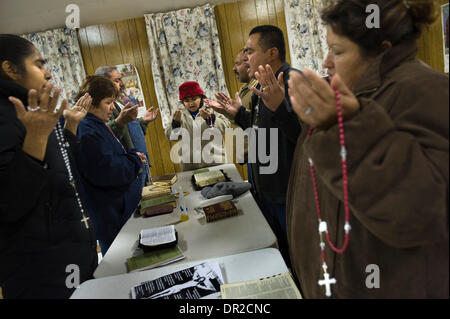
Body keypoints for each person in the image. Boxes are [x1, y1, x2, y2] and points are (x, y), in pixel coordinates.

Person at [287, 0, 449, 298]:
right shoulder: (346, 96)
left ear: (381, 51)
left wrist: (346, 128)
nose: (326, 62)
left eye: (337, 51)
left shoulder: (429, 92)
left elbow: (419, 212)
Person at [0, 34, 98, 298]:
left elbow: (57, 169)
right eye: (39, 64)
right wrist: (37, 136)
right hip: (41, 271)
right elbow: (9, 203)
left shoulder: (37, 111)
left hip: (73, 252)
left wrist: (70, 128)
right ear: (10, 69)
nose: (49, 73)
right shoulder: (8, 116)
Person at [210, 25, 301, 266]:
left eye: (250, 51)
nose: (246, 57)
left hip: (288, 193)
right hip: (266, 189)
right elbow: (260, 131)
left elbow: (306, 137)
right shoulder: (260, 86)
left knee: (300, 257)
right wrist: (239, 114)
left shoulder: (293, 81)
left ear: (272, 53)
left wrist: (282, 105)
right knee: (280, 254)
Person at [74, 76, 145, 256]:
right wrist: (133, 159)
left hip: (119, 213)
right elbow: (111, 171)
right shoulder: (87, 130)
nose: (113, 108)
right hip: (112, 217)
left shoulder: (97, 125)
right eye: (108, 102)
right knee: (121, 264)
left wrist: (129, 156)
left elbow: (114, 157)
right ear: (91, 102)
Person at [95, 66, 158, 191]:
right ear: (104, 83)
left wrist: (143, 121)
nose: (122, 83)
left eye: (121, 79)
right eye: (117, 80)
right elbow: (104, 136)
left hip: (140, 163)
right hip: (128, 169)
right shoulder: (103, 107)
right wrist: (119, 121)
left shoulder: (120, 102)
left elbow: (129, 131)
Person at [165, 81, 231, 171]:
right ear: (182, 102)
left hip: (216, 164)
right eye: (186, 100)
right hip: (190, 167)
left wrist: (210, 119)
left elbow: (226, 127)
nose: (191, 103)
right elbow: (171, 137)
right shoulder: (178, 114)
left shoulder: (212, 108)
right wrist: (176, 124)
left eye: (194, 99)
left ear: (201, 97)